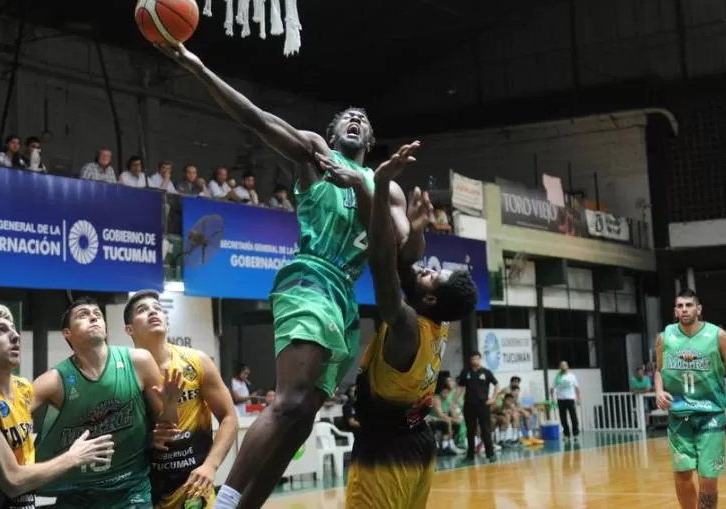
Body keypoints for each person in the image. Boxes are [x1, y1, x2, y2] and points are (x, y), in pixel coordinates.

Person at [157, 44, 427, 509]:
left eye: (362, 117)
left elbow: (400, 248)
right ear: (332, 131)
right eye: (346, 116)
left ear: (371, 135)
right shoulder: (316, 156)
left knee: (303, 415)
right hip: (310, 276)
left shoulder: (387, 187)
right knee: (289, 400)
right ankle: (217, 502)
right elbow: (258, 121)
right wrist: (198, 65)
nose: (355, 119)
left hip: (343, 297)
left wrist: (376, 194)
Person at [343, 142, 478, 509]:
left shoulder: (406, 325)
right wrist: (416, 230)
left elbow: (384, 263)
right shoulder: (436, 321)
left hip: (386, 451)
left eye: (434, 276)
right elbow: (407, 271)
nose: (428, 270)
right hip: (417, 443)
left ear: (431, 298)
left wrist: (380, 184)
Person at [0, 304, 115, 508]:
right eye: (1, 330)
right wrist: (74, 457)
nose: (15, 335)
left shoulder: (22, 388)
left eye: (13, 328)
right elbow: (14, 481)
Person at [32, 298, 182, 509]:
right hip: (78, 490)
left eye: (97, 314)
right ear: (68, 333)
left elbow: (168, 426)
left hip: (130, 488)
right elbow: (12, 419)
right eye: (83, 315)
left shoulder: (138, 361)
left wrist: (171, 405)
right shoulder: (54, 380)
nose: (93, 316)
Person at [123, 290, 239, 509]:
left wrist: (210, 466)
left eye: (157, 308)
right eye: (142, 310)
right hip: (145, 490)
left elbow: (229, 417)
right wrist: (147, 440)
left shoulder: (196, 361)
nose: (152, 312)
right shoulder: (123, 373)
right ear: (129, 329)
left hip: (194, 487)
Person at [655, 289, 726, 509]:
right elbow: (658, 370)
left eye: (689, 305)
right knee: (682, 477)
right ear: (675, 310)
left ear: (699, 309)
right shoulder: (664, 338)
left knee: (707, 478)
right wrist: (658, 391)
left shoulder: (718, 335)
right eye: (680, 306)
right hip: (679, 415)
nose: (684, 309)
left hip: (710, 414)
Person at [457, 351, 498, 461]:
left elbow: (497, 384)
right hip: (469, 405)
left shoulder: (486, 372)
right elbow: (460, 388)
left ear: (480, 359)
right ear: (470, 360)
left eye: (477, 358)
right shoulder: (465, 372)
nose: (475, 361)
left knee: (485, 429)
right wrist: (454, 401)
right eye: (473, 359)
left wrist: (493, 398)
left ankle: (490, 453)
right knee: (470, 430)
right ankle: (470, 454)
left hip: (483, 405)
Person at [551, 361, 581, 439]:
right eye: (561, 365)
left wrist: (578, 398)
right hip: (561, 400)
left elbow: (577, 388)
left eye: (564, 365)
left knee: (573, 417)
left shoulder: (572, 376)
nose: (563, 367)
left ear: (567, 366)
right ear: (559, 367)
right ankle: (566, 434)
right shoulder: (558, 377)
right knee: (563, 418)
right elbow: (552, 388)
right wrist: (552, 398)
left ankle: (575, 433)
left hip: (570, 399)